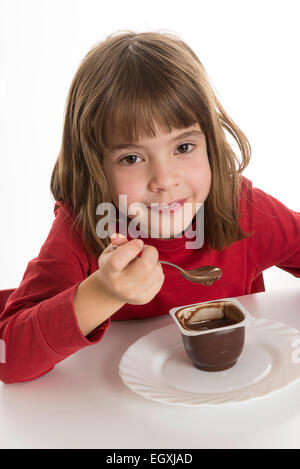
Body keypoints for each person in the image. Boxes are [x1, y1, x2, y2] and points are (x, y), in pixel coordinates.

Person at [0, 31, 299, 384]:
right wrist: (103, 292)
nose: (164, 179)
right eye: (131, 158)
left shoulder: (239, 208)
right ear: (94, 165)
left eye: (183, 148)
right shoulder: (83, 230)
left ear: (211, 144)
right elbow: (9, 356)